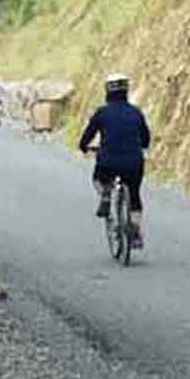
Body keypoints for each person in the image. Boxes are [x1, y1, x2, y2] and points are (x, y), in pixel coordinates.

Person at [79, 73, 151, 248]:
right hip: (133, 161)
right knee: (134, 194)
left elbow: (86, 137)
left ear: (107, 91)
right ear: (126, 90)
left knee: (99, 178)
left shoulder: (101, 113)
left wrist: (84, 147)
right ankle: (134, 231)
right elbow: (146, 140)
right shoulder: (136, 113)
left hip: (108, 161)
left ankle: (105, 195)